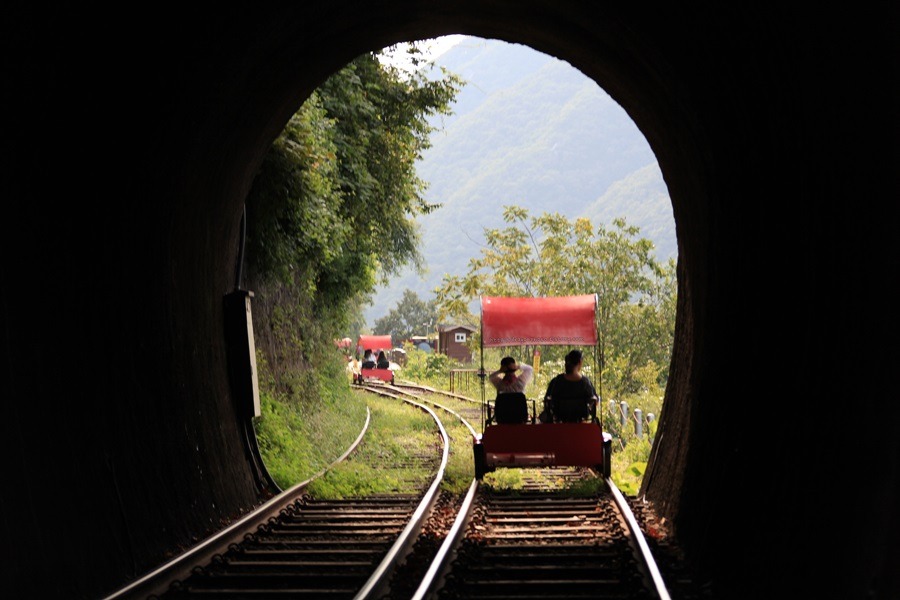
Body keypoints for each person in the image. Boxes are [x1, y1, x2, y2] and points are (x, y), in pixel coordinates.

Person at [541, 349, 597, 423]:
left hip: (560, 419)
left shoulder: (557, 381)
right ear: (580, 362)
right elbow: (594, 401)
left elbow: (547, 400)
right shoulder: (585, 382)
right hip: (580, 421)